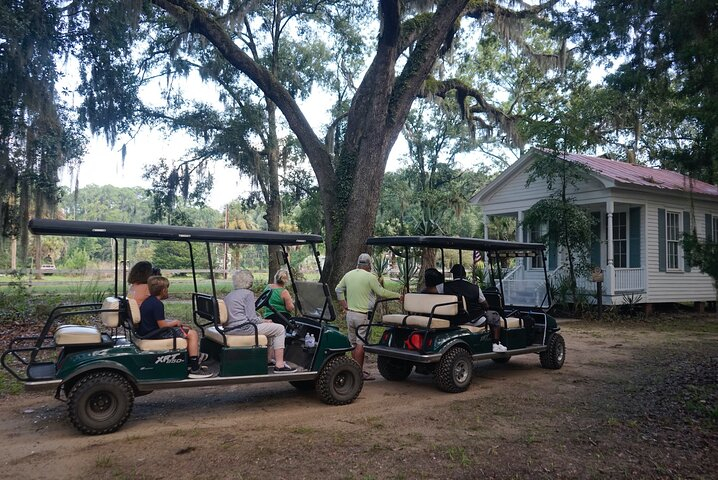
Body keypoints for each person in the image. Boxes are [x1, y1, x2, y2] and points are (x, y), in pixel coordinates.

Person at [335, 253, 402, 380]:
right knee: (361, 344)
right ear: (369, 265)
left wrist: (344, 305)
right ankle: (359, 373)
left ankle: (353, 371)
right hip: (362, 315)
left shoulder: (349, 274)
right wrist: (398, 296)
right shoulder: (370, 277)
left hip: (350, 315)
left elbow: (338, 290)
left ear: (358, 263)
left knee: (353, 343)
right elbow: (381, 292)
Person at [138, 275, 212, 378]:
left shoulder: (148, 301)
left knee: (187, 330)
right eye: (167, 289)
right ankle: (195, 368)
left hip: (149, 331)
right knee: (193, 334)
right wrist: (175, 322)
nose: (167, 291)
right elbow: (162, 325)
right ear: (163, 290)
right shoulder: (157, 304)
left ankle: (190, 360)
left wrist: (176, 324)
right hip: (156, 334)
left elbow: (158, 320)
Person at [224, 269, 297, 373]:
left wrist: (262, 321)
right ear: (249, 281)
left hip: (230, 328)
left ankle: (267, 359)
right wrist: (263, 321)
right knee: (280, 329)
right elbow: (252, 318)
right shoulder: (248, 294)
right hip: (245, 328)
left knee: (271, 328)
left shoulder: (230, 294)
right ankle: (280, 365)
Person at [443, 264, 507, 352]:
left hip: (455, 319)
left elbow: (430, 290)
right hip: (474, 319)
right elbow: (485, 305)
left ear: (453, 275)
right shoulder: (475, 288)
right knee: (495, 315)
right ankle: (495, 343)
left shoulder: (445, 286)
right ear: (465, 274)